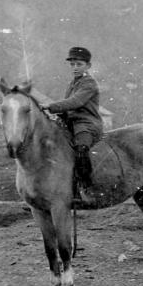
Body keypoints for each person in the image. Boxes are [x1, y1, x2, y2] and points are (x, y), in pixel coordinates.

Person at [42, 46, 103, 197]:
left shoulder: (89, 83)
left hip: (87, 125)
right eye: (72, 64)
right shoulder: (73, 83)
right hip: (72, 124)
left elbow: (75, 102)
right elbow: (69, 107)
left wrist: (51, 106)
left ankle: (85, 189)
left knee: (81, 149)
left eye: (79, 64)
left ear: (88, 66)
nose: (75, 68)